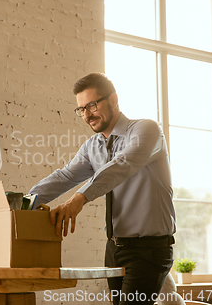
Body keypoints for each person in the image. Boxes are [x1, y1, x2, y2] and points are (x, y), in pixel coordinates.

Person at [29, 73, 176, 305]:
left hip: (150, 249)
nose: (87, 115)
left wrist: (79, 198)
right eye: (81, 109)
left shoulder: (146, 130)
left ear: (114, 100)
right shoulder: (92, 146)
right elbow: (65, 176)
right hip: (115, 249)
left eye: (92, 105)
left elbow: (122, 165)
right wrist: (26, 201)